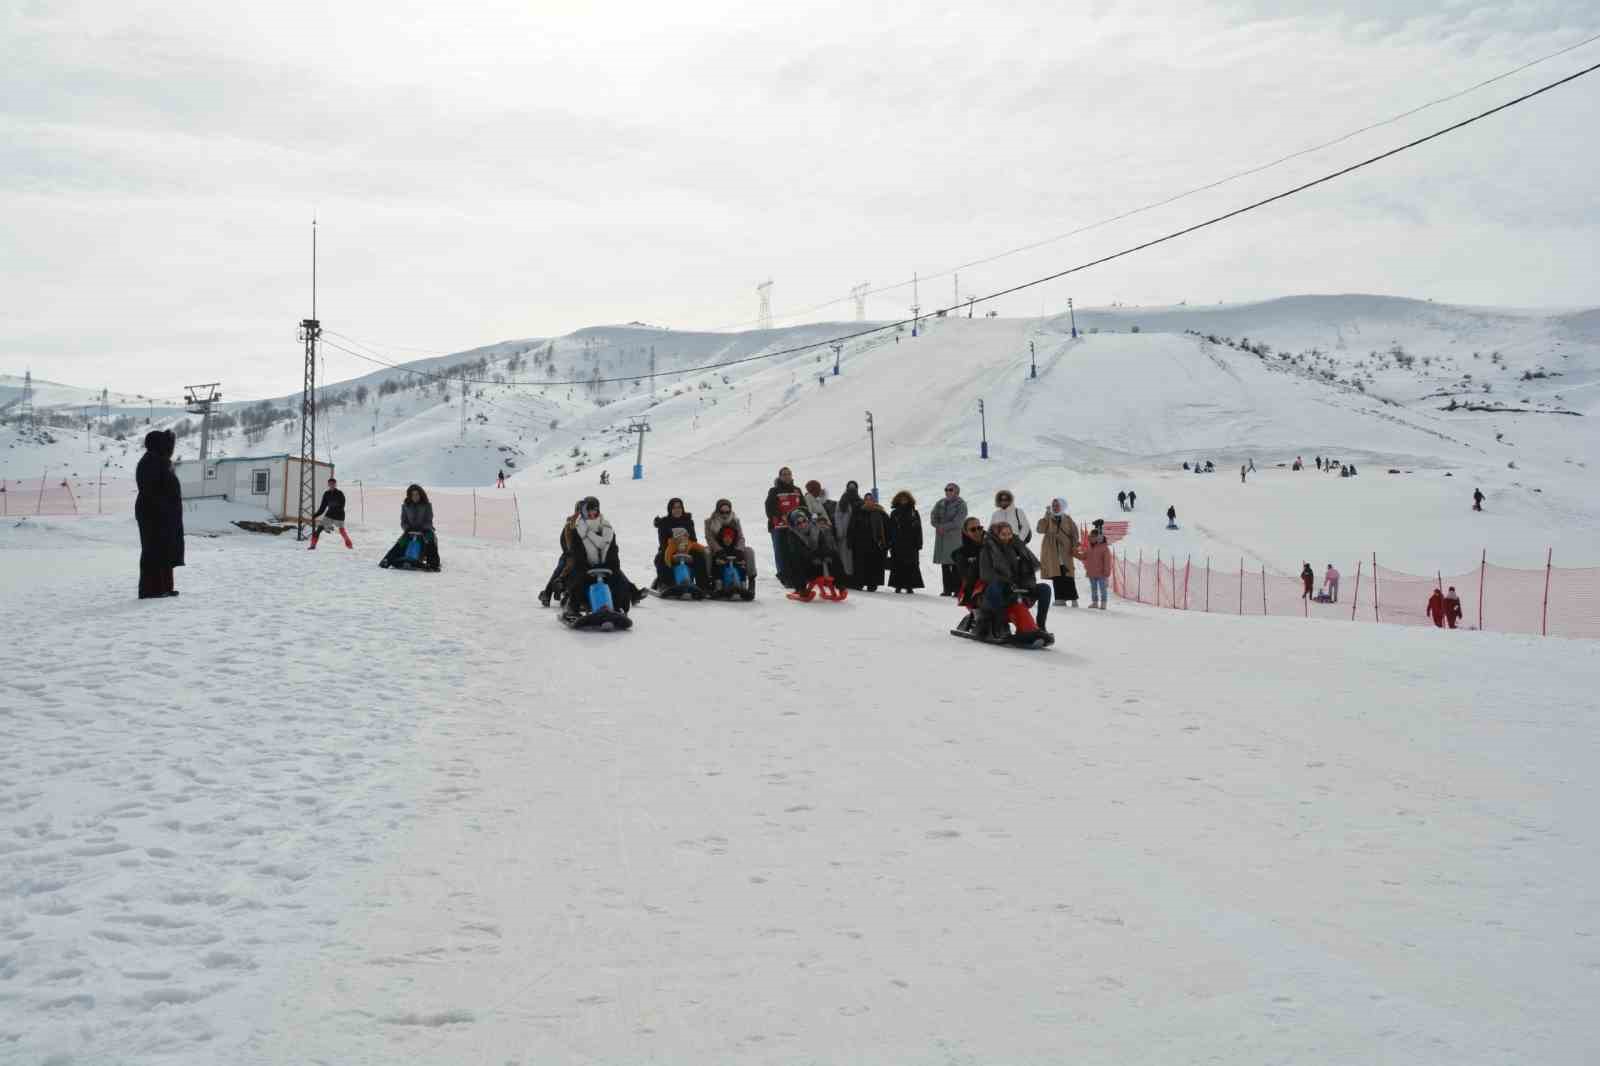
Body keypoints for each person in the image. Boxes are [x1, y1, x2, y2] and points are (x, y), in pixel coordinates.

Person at [563, 496, 641, 618]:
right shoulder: (577, 531)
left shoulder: (608, 531)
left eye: (594, 510)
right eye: (588, 510)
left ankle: (618, 608)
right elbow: (577, 555)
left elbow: (613, 553)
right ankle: (573, 608)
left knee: (619, 581)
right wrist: (587, 568)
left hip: (606, 569)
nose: (591, 513)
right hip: (585, 568)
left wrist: (609, 566)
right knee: (577, 579)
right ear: (583, 511)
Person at [980, 517, 1051, 638]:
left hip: (1019, 588)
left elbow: (1028, 570)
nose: (1007, 537)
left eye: (1009, 534)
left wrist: (1026, 585)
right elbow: (986, 574)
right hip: (998, 588)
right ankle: (1001, 625)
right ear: (997, 535)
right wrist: (1006, 583)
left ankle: (1041, 625)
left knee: (1045, 589)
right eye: (1003, 534)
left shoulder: (1018, 548)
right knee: (996, 587)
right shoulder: (987, 550)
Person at [135, 429, 183, 599]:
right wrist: (164, 508)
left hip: (163, 513)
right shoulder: (150, 462)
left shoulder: (160, 461)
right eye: (167, 444)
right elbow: (152, 491)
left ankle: (164, 587)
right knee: (153, 550)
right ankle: (151, 590)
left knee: (165, 549)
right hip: (153, 513)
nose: (170, 448)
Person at [379, 484, 441, 570]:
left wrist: (423, 529)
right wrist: (407, 528)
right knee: (401, 542)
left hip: (425, 530)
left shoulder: (427, 505)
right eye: (413, 495)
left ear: (420, 494)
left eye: (417, 494)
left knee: (430, 540)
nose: (415, 496)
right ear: (410, 496)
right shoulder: (406, 506)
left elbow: (429, 520)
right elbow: (403, 521)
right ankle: (387, 560)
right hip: (410, 530)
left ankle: (434, 565)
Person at [778, 509, 841, 592]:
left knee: (833, 555)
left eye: (804, 521)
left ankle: (839, 583)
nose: (802, 524)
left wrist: (823, 553)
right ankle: (800, 588)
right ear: (794, 524)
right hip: (805, 563)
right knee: (796, 559)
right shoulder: (793, 534)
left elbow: (823, 544)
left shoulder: (816, 530)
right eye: (799, 523)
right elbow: (798, 550)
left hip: (816, 560)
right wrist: (814, 555)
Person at [538, 499, 585, 607]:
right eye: (579, 511)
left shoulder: (588, 524)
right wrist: (569, 552)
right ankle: (547, 593)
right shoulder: (570, 524)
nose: (581, 514)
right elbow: (563, 541)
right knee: (561, 567)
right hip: (570, 554)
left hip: (584, 555)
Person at [1035, 497, 1081, 607]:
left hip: (1065, 550)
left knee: (1068, 575)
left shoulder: (1067, 519)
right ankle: (1060, 599)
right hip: (1052, 551)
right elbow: (1040, 529)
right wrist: (1046, 515)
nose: (1055, 507)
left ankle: (1073, 599)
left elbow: (1074, 533)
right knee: (1056, 575)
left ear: (1062, 506)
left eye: (1057, 505)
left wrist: (1074, 546)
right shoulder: (1048, 518)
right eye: (1053, 505)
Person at [764, 466, 806, 581]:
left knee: (795, 550)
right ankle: (783, 576)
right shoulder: (774, 490)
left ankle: (796, 574)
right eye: (784, 474)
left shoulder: (797, 490)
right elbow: (769, 507)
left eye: (789, 474)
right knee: (781, 551)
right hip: (778, 526)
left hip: (796, 526)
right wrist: (780, 516)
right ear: (780, 476)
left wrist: (803, 517)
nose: (787, 476)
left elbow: (803, 506)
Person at [929, 482, 967, 596]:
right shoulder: (940, 503)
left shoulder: (961, 504)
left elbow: (958, 521)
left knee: (955, 563)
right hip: (942, 538)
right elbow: (933, 515)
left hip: (954, 537)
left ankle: (957, 589)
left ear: (956, 491)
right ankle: (947, 589)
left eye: (950, 490)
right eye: (946, 489)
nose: (947, 492)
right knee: (945, 565)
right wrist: (936, 525)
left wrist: (943, 527)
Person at [846, 490, 889, 591]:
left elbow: (887, 528)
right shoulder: (858, 512)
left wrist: (886, 542)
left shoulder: (880, 512)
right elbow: (851, 527)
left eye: (871, 499)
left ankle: (872, 584)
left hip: (875, 544)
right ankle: (859, 583)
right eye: (866, 499)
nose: (868, 501)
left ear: (874, 501)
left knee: (874, 565)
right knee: (860, 565)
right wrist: (850, 541)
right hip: (860, 544)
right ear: (864, 501)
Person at [652, 497, 697, 589]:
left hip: (686, 548)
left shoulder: (688, 521)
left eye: (679, 507)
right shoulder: (664, 522)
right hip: (669, 548)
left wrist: (686, 545)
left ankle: (702, 584)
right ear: (670, 509)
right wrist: (673, 547)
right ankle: (666, 583)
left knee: (700, 556)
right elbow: (663, 542)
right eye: (674, 508)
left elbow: (693, 540)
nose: (677, 510)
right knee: (661, 558)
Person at [887, 490, 925, 593]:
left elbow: (918, 529)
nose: (903, 500)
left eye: (905, 499)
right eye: (901, 499)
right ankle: (898, 585)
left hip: (911, 543)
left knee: (911, 565)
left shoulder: (914, 513)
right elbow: (890, 529)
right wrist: (890, 542)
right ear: (898, 500)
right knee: (897, 564)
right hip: (897, 543)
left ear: (909, 500)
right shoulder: (894, 513)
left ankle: (910, 586)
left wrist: (919, 543)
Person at [308, 476, 353, 550]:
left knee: (341, 530)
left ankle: (349, 545)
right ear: (328, 485)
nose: (331, 485)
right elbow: (322, 507)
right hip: (329, 515)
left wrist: (334, 508)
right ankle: (313, 545)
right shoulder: (326, 494)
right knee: (319, 529)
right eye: (330, 484)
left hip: (339, 515)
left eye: (333, 484)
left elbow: (342, 505)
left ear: (335, 485)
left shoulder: (339, 493)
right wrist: (315, 515)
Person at [834, 480, 862, 581]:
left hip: (856, 534)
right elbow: (837, 517)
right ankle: (845, 578)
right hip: (845, 534)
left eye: (853, 487)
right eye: (850, 487)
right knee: (845, 557)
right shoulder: (842, 502)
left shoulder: (860, 501)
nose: (851, 489)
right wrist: (840, 531)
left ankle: (855, 579)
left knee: (855, 558)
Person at [1082, 524, 1112, 609]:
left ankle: (1103, 603)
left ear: (1098, 537)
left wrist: (1107, 572)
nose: (1091, 538)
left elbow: (1107, 561)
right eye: (1090, 536)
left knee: (1103, 589)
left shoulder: (1104, 548)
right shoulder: (1089, 547)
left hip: (1101, 573)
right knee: (1093, 589)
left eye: (1093, 537)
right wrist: (1074, 553)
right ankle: (1095, 602)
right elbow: (1084, 556)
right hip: (1092, 572)